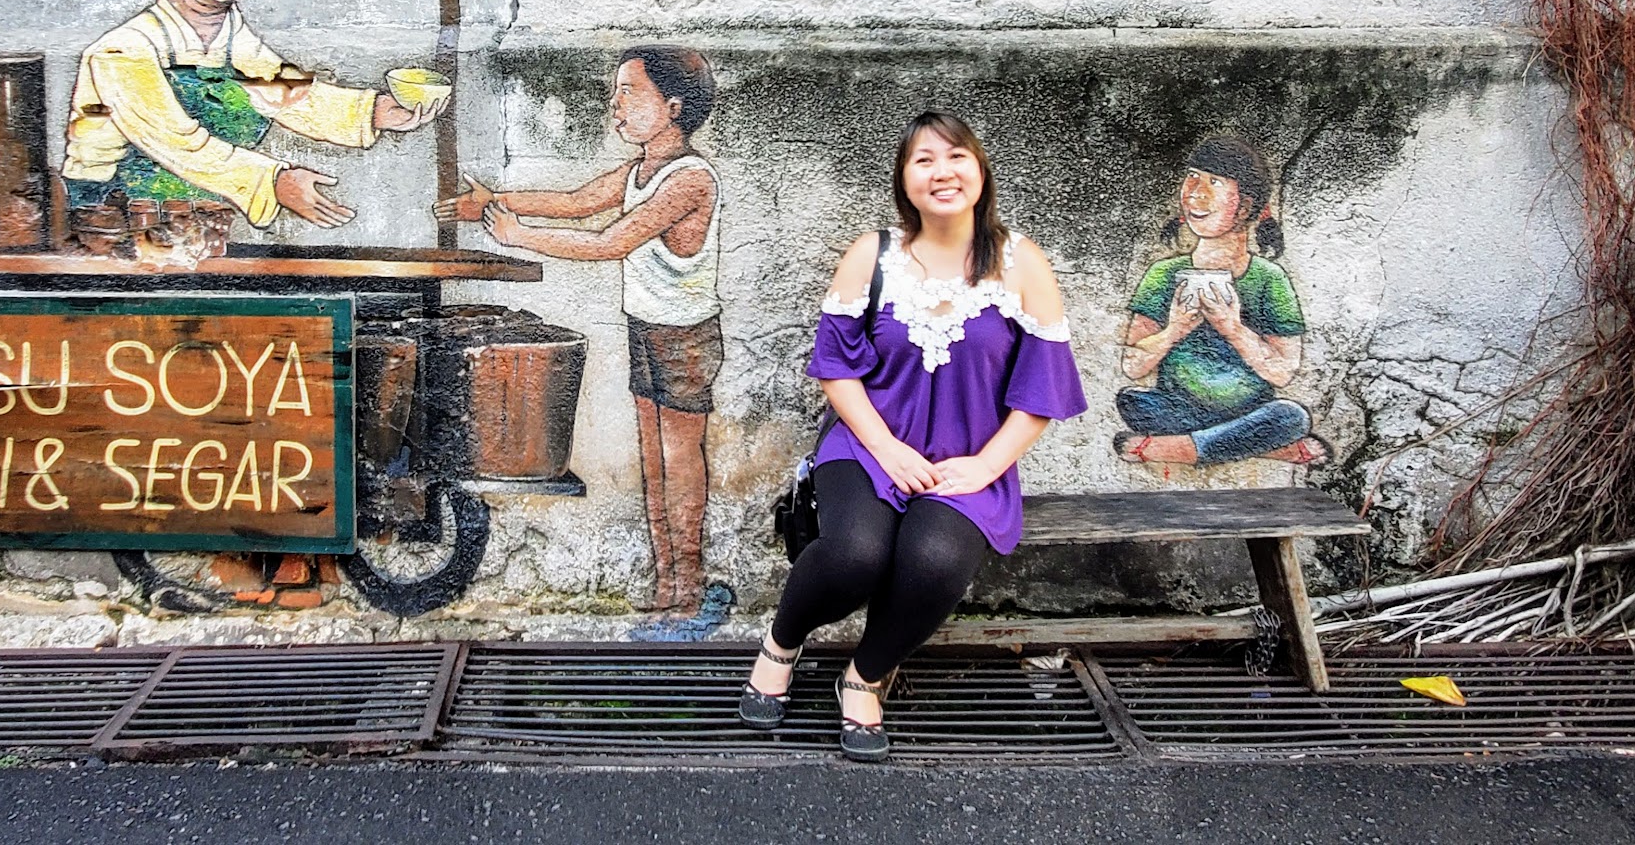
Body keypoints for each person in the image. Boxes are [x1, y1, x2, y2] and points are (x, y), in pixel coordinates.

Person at [741, 111, 1085, 761]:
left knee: (933, 562)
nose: (942, 171)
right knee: (854, 556)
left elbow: (1043, 393)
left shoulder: (1023, 265)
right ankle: (781, 644)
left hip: (966, 461)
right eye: (924, 159)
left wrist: (986, 465)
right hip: (868, 446)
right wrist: (887, 449)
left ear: (980, 172)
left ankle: (864, 676)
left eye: (956, 156)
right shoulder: (873, 256)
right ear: (905, 180)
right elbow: (836, 371)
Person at [437, 46, 729, 637]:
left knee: (678, 459)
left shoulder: (690, 180)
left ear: (672, 106)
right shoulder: (638, 172)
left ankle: (690, 589)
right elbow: (575, 203)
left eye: (630, 92)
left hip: (683, 339)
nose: (615, 104)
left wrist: (520, 236)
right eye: (616, 90)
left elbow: (608, 241)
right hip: (648, 327)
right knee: (654, 458)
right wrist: (493, 202)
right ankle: (666, 585)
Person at [60, 0, 443, 233]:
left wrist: (375, 112)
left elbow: (289, 96)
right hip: (113, 229)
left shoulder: (233, 41)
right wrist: (275, 182)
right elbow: (177, 142)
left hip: (198, 228)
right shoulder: (122, 50)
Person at [1114, 134, 1322, 466]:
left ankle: (1177, 449)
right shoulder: (1164, 273)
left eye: (1214, 182)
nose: (1196, 192)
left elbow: (1283, 372)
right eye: (1193, 177)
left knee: (1291, 416)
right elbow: (1132, 364)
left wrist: (1233, 328)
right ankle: (1249, 444)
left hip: (1251, 411)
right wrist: (1175, 329)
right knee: (1132, 402)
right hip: (1178, 409)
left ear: (1245, 206)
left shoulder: (1270, 278)